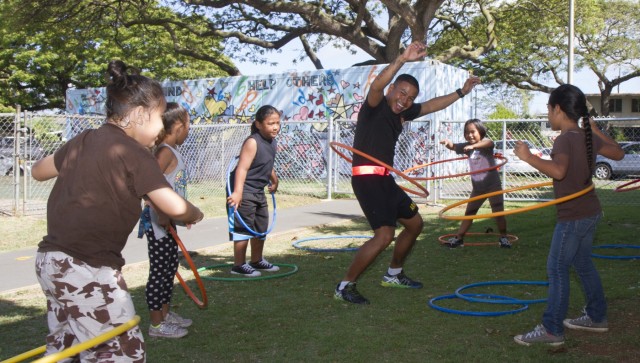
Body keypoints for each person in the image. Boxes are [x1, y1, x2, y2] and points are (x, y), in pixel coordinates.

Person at [31, 60, 204, 361]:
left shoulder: (82, 140)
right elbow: (174, 206)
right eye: (160, 117)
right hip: (85, 267)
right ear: (139, 114)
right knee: (122, 353)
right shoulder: (135, 153)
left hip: (52, 263)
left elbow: (38, 171)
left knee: (68, 350)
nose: (163, 126)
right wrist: (195, 214)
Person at [334, 41, 481, 304]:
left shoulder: (405, 111)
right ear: (392, 90)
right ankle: (345, 286)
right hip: (367, 178)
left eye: (410, 97)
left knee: (415, 224)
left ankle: (393, 274)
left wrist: (462, 92)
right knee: (384, 234)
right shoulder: (376, 105)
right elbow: (377, 84)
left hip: (385, 179)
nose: (405, 100)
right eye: (401, 93)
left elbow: (432, 105)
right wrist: (402, 58)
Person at [512, 84, 624, 346]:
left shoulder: (565, 139)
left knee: (557, 269)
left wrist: (528, 157)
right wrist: (596, 130)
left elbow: (559, 171)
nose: (548, 115)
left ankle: (552, 329)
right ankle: (597, 317)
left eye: (549, 110)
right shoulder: (586, 136)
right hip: (590, 212)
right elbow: (618, 153)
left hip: (573, 217)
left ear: (558, 109)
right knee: (582, 264)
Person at [138, 103, 193, 339]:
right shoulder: (164, 152)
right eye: (188, 125)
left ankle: (165, 314)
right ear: (179, 126)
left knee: (169, 268)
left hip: (168, 222)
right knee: (159, 272)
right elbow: (147, 185)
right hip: (159, 223)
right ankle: (156, 325)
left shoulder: (171, 150)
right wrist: (161, 213)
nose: (189, 130)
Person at [226, 105, 281, 277]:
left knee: (260, 225)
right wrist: (237, 192)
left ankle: (257, 260)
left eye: (278, 123)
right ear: (258, 124)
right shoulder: (252, 142)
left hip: (258, 190)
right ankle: (238, 265)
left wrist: (274, 180)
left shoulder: (272, 142)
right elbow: (242, 168)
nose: (275, 127)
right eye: (271, 123)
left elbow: (266, 164)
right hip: (244, 189)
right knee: (243, 227)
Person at [440, 118, 511, 248]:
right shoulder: (466, 146)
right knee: (469, 213)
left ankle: (504, 237)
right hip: (478, 188)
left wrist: (473, 146)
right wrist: (448, 143)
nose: (469, 135)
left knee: (498, 213)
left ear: (481, 131)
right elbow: (454, 147)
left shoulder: (485, 145)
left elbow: (489, 142)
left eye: (473, 132)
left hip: (493, 186)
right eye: (467, 132)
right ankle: (459, 238)